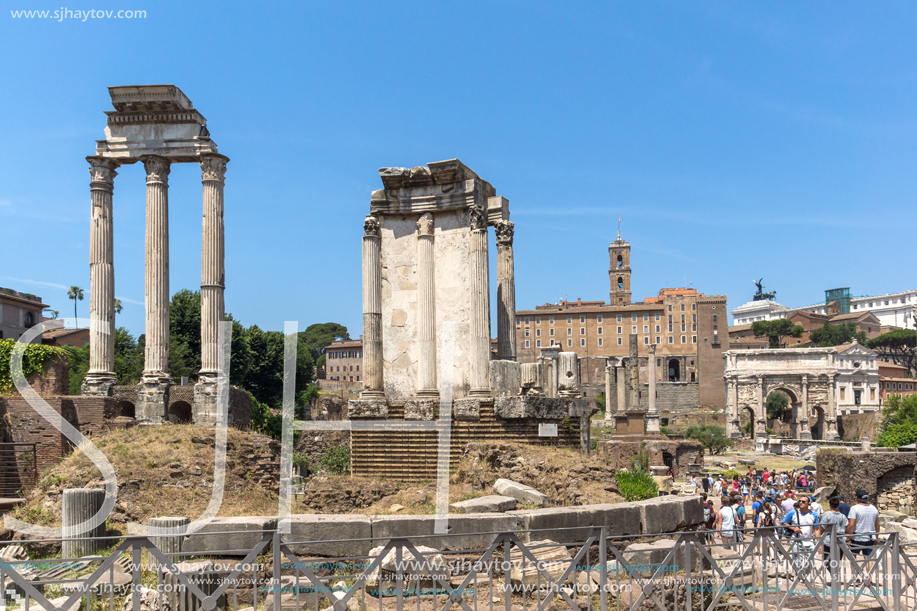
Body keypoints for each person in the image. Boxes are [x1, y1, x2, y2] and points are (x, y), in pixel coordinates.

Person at [847, 489, 879, 580]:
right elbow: (877, 524)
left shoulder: (854, 508)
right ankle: (869, 579)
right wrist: (876, 537)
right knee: (868, 558)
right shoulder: (874, 508)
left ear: (857, 498)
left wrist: (849, 538)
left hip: (857, 536)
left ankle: (855, 578)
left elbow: (851, 525)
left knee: (853, 557)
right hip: (870, 537)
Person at [782, 497, 819, 575]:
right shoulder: (793, 513)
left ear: (808, 504)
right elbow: (784, 522)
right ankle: (799, 578)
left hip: (809, 541)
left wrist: (819, 542)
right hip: (796, 540)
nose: (801, 502)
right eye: (800, 501)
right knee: (797, 562)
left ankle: (803, 576)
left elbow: (816, 529)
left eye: (803, 501)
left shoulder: (813, 514)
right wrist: (794, 529)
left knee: (812, 562)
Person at [818, 497, 849, 563]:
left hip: (828, 540)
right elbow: (847, 526)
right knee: (838, 561)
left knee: (826, 560)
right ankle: (835, 572)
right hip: (841, 540)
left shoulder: (826, 515)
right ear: (838, 505)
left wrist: (819, 539)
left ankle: (833, 572)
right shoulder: (843, 516)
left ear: (829, 505)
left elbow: (822, 527)